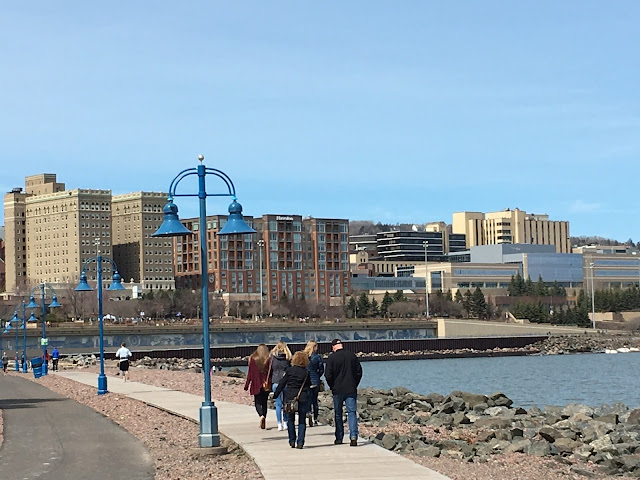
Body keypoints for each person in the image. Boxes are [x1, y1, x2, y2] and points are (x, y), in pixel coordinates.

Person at [325, 339, 362, 447]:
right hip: (350, 388)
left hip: (337, 389)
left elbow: (328, 375)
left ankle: (339, 437)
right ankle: (353, 436)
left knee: (338, 414)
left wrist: (332, 386)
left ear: (333, 347)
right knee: (351, 412)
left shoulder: (331, 358)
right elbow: (359, 372)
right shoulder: (352, 356)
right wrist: (355, 383)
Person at [272, 351, 312, 449]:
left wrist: (276, 394)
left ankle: (292, 440)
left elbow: (282, 383)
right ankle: (300, 441)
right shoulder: (306, 372)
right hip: (302, 397)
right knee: (302, 420)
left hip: (290, 397)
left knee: (290, 419)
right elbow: (308, 385)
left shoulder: (289, 371)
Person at [243, 343, 272, 429]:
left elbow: (250, 374)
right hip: (266, 384)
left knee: (257, 403)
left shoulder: (253, 359)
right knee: (264, 403)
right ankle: (264, 417)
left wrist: (246, 385)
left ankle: (261, 416)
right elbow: (270, 373)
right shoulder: (268, 359)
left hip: (256, 384)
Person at [270, 341, 292, 431]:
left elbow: (270, 370)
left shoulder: (272, 358)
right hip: (285, 382)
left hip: (275, 382)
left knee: (278, 404)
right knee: (285, 403)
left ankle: (279, 423)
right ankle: (286, 422)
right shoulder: (287, 358)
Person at [303, 340, 324, 427]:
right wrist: (318, 376)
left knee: (307, 399)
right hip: (315, 380)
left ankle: (308, 412)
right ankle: (315, 419)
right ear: (314, 347)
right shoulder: (317, 357)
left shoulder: (304, 357)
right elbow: (321, 369)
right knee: (315, 400)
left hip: (305, 381)